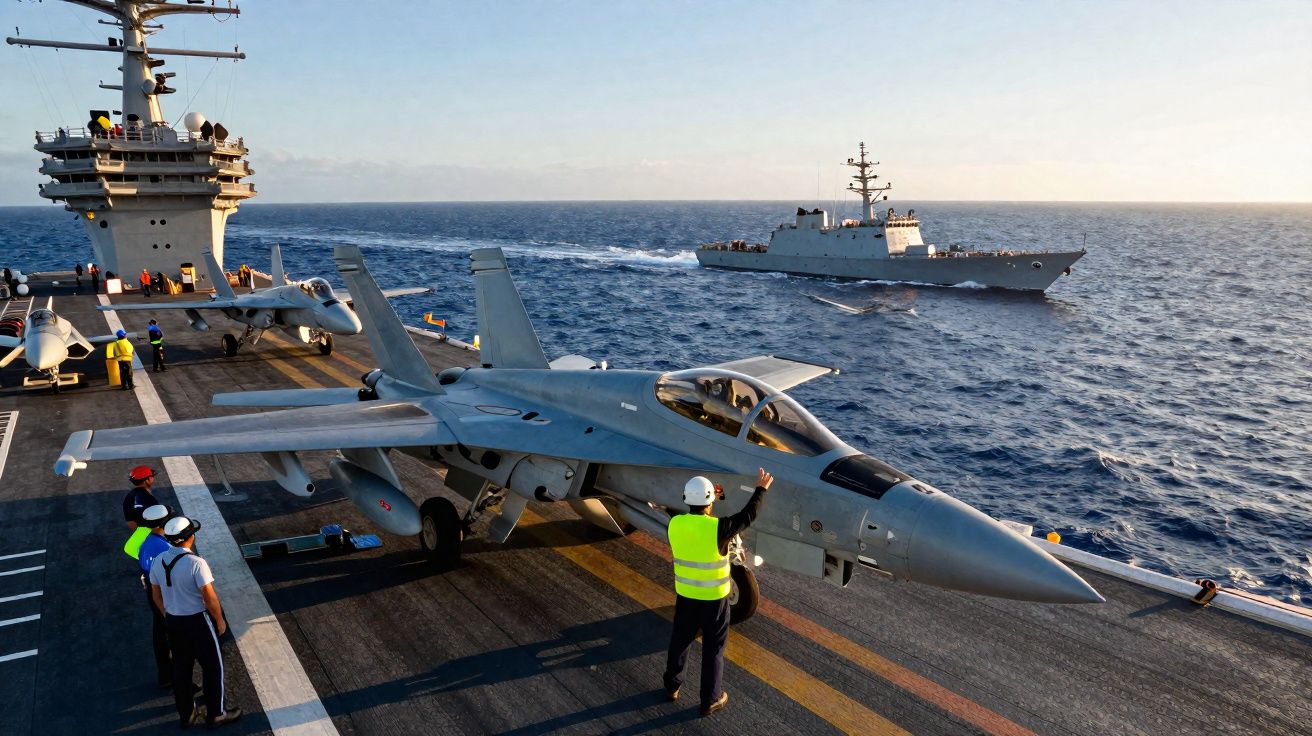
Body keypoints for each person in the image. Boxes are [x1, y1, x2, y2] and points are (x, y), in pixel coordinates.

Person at [663, 467, 773, 717]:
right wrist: (760, 489)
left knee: (679, 643)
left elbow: (684, 515)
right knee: (713, 650)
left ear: (685, 499)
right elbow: (748, 515)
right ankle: (710, 700)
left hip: (686, 598)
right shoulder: (719, 528)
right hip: (714, 602)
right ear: (710, 502)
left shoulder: (675, 524)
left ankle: (672, 686)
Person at [150, 516, 242, 729]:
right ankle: (217, 714)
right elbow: (209, 597)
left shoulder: (158, 560)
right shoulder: (196, 563)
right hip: (197, 622)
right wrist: (219, 619)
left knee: (181, 669)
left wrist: (167, 613)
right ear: (189, 538)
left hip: (173, 622)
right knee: (213, 668)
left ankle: (187, 714)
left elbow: (156, 595)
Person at [138, 504, 175, 689]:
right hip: (164, 595)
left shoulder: (146, 542)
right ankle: (174, 677)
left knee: (160, 633)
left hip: (153, 593)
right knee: (173, 637)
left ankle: (166, 674)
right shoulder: (164, 547)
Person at [123, 465, 161, 531]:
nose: (153, 478)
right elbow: (155, 523)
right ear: (146, 480)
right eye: (152, 476)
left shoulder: (129, 497)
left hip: (139, 535)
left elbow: (130, 523)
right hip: (153, 534)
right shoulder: (148, 498)